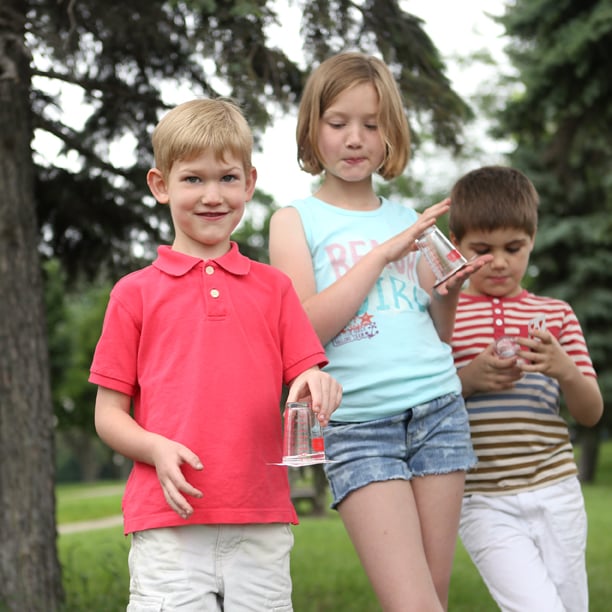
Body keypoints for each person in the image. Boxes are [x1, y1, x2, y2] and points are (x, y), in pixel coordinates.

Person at [89, 98, 343, 611]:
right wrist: (155, 448)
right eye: (193, 179)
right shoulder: (133, 294)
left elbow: (307, 375)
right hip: (168, 522)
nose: (212, 195)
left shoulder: (274, 289)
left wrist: (320, 384)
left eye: (227, 178)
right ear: (160, 185)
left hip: (261, 520)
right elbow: (108, 416)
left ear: (249, 183)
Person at [268, 51, 491, 612]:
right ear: (313, 127)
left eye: (371, 124)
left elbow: (439, 334)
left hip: (438, 412)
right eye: (338, 122)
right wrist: (380, 256)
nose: (355, 138)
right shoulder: (293, 221)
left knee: (433, 598)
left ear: (390, 133)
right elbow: (303, 329)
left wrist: (450, 291)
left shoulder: (408, 218)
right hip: (360, 428)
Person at [448, 165, 603, 612]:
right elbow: (424, 402)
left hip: (556, 489)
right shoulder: (445, 317)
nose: (499, 262)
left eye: (513, 248)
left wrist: (566, 371)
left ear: (531, 240)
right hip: (482, 498)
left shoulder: (557, 314)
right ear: (456, 245)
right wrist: (467, 381)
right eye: (482, 250)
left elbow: (591, 412)